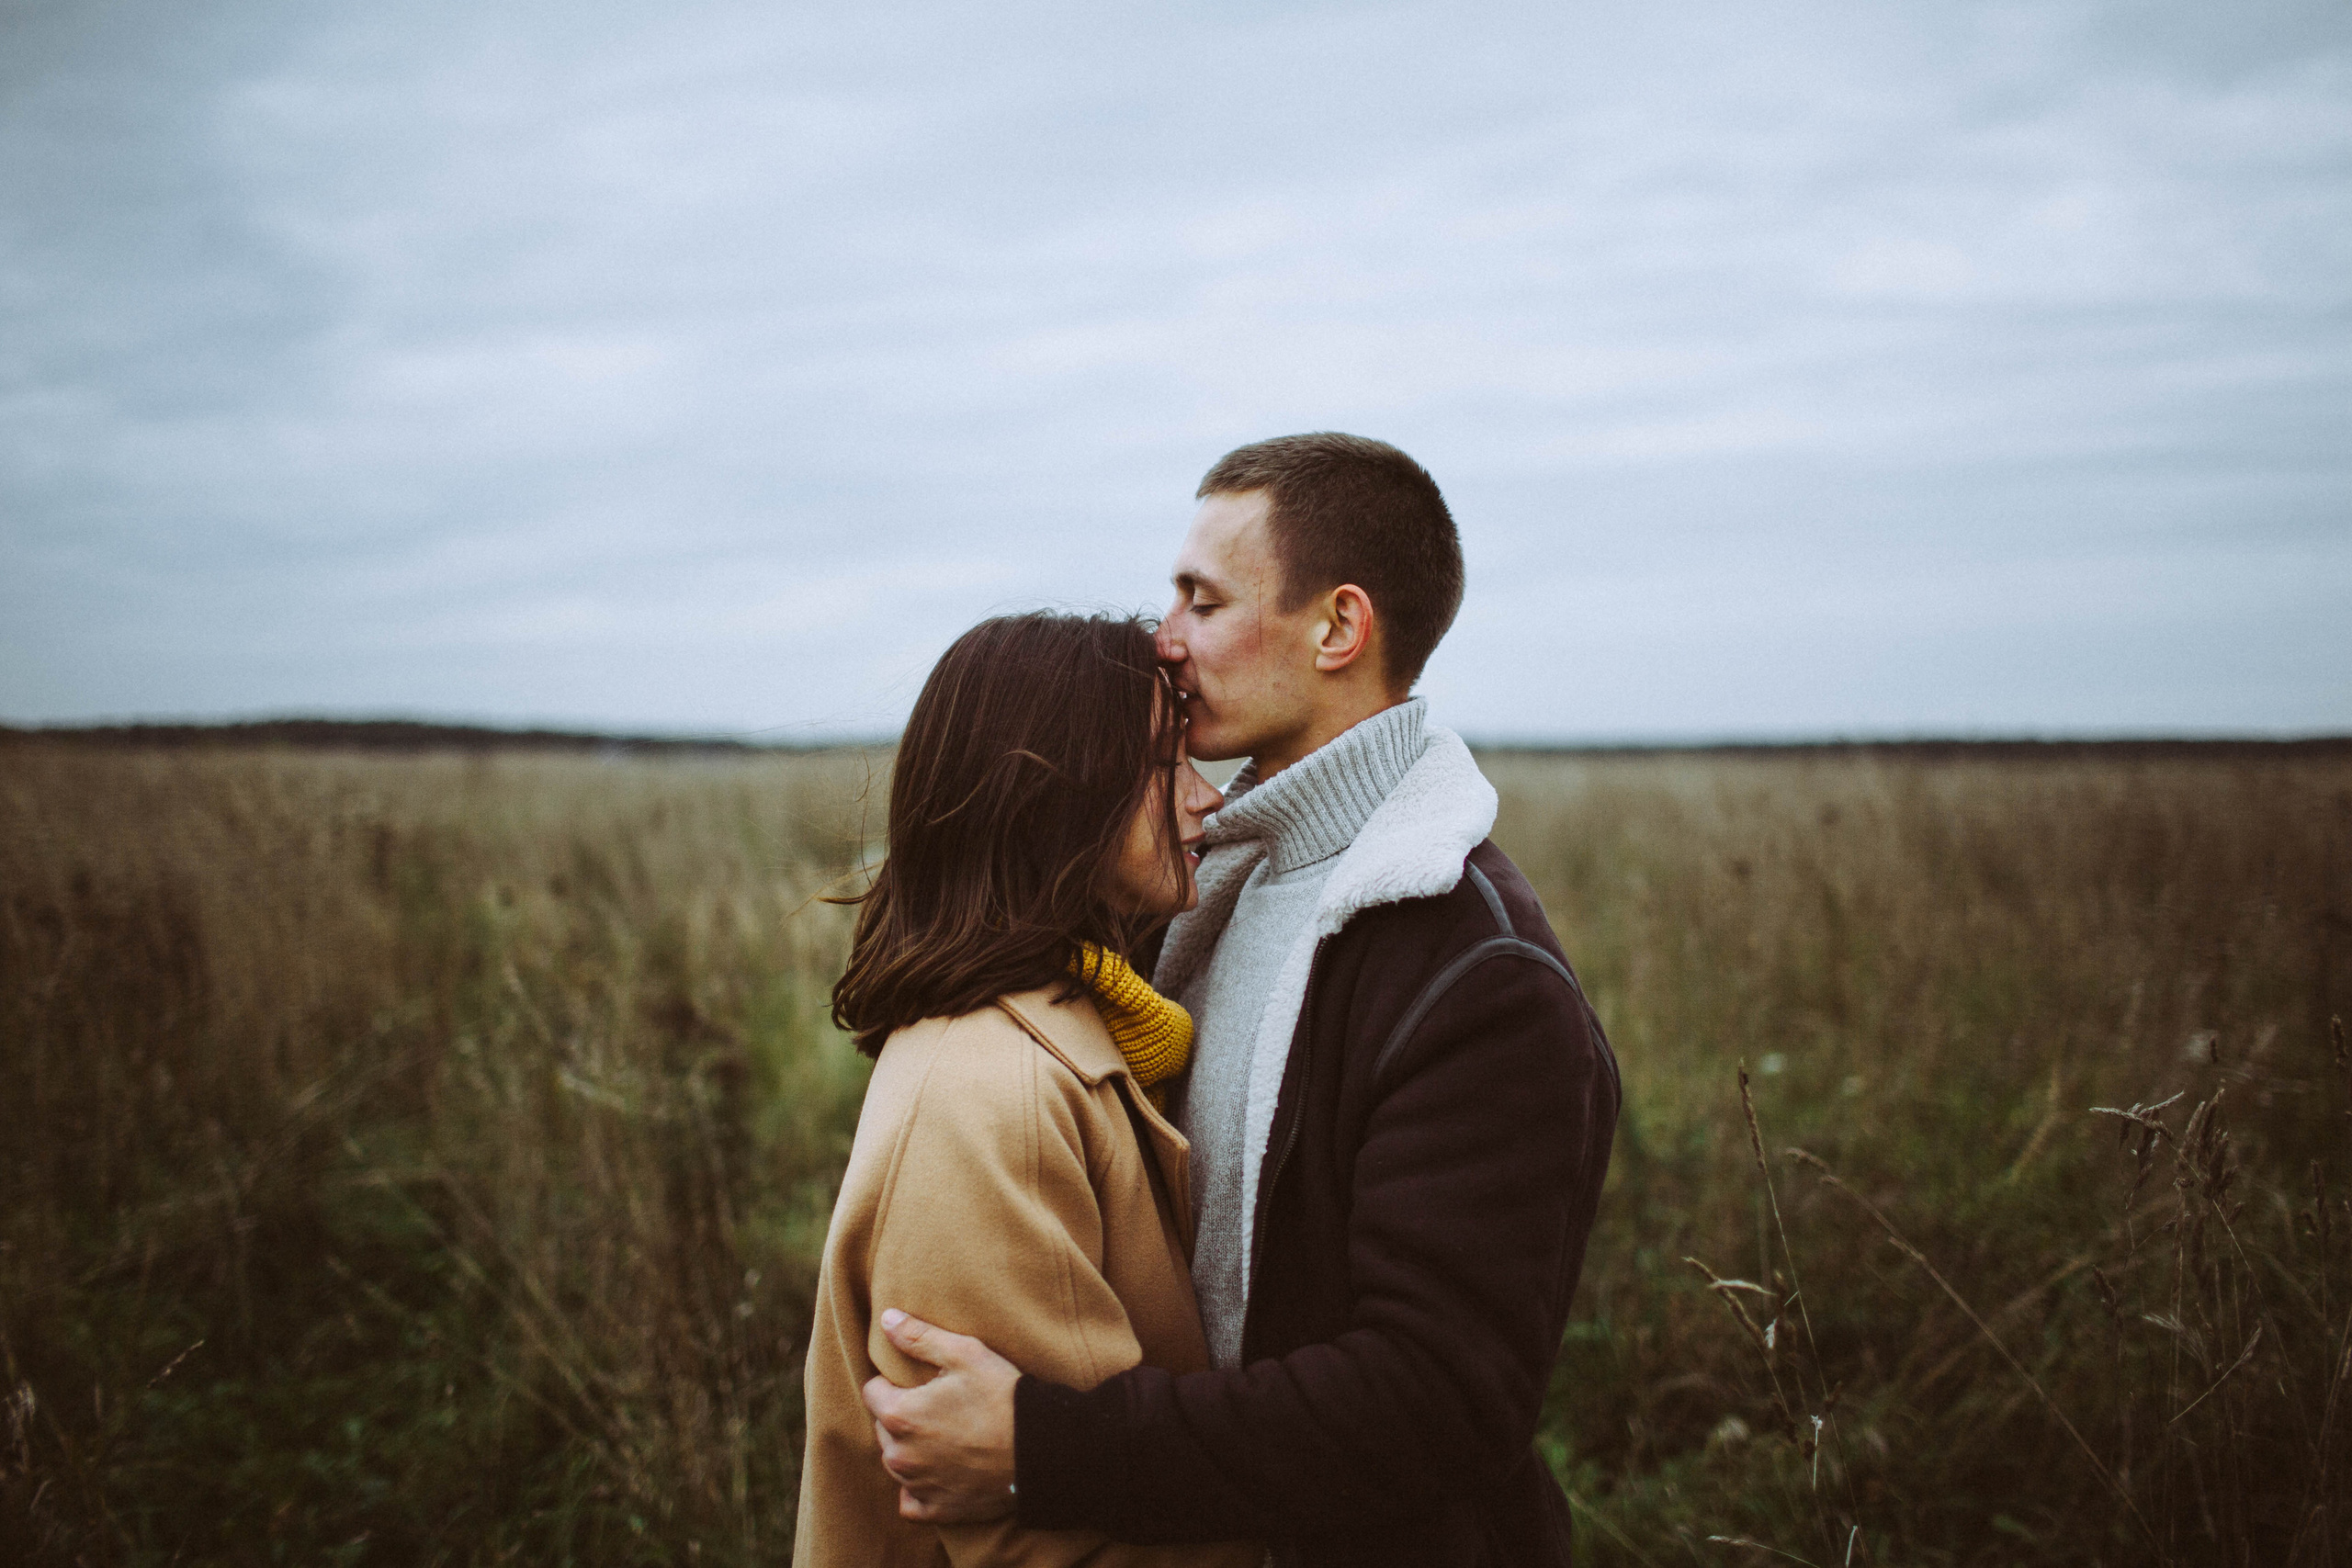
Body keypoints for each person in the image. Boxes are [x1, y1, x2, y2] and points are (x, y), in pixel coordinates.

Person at [858, 434, 1623, 1567]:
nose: (1163, 638)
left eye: (1201, 600)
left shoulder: (1479, 977)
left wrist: (1047, 1447)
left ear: (1337, 628)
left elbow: (1438, 1401)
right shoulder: (1192, 882)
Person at [794, 611, 1260, 1568]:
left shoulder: (1073, 1022)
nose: (1207, 799)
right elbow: (1034, 1542)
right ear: (1046, 794)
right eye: (1164, 765)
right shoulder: (989, 1093)